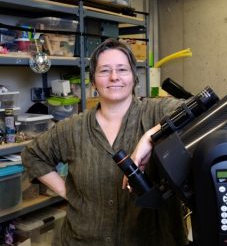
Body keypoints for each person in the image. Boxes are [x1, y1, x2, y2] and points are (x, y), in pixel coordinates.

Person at [21, 38, 188, 246]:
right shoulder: (73, 128)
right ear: (93, 81)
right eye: (104, 71)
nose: (114, 77)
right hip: (82, 240)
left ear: (134, 78)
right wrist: (69, 193)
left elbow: (202, 107)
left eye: (122, 69)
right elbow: (32, 155)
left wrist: (149, 137)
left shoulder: (156, 112)